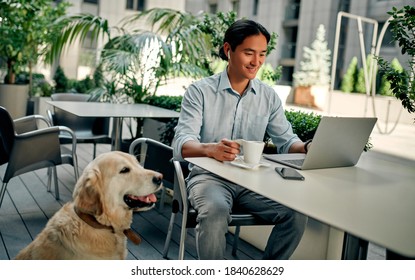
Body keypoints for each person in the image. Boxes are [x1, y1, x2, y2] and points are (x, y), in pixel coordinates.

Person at [172, 19, 309, 260]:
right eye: (249, 53)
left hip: (252, 182)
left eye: (262, 54)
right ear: (228, 50)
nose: (256, 61)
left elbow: (287, 141)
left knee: (296, 214)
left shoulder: (268, 96)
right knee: (215, 211)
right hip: (208, 178)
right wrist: (210, 149)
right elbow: (182, 143)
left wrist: (307, 148)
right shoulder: (200, 91)